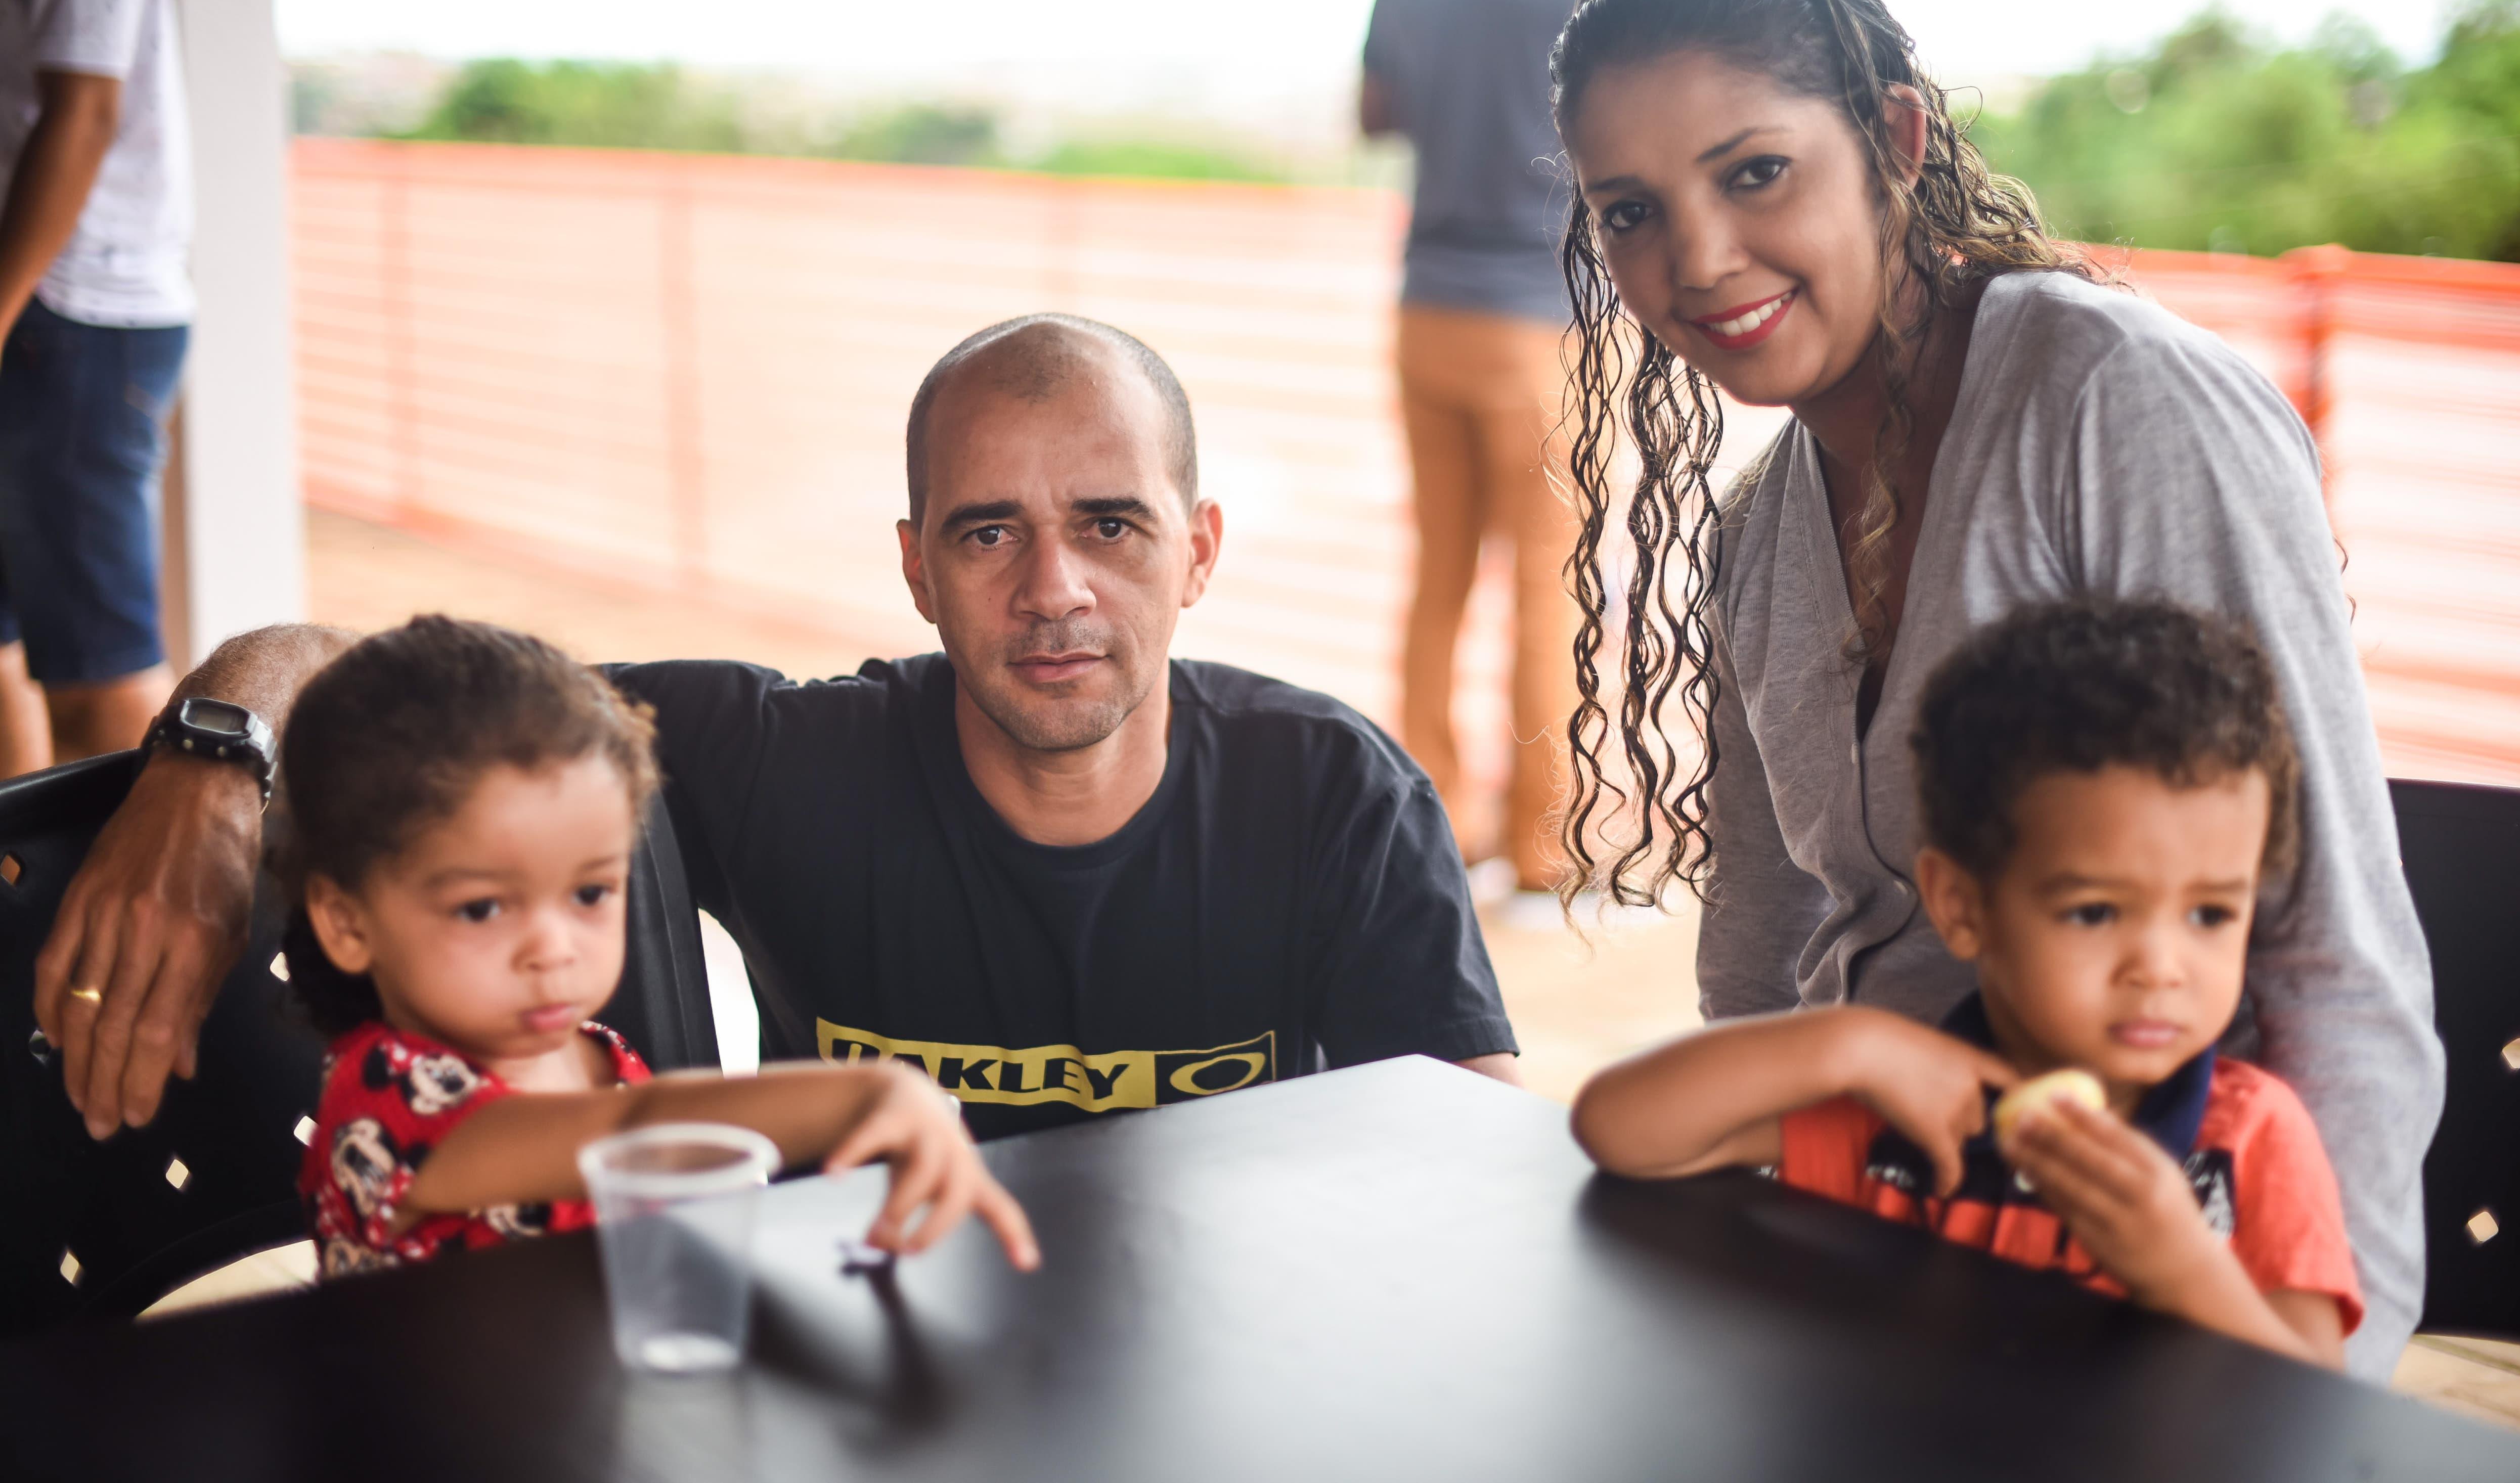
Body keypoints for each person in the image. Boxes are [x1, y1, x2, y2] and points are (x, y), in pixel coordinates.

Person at [1544, 0, 2436, 1377]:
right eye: (1630, 210)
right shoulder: (1755, 528)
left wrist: (2329, 1409)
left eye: (1754, 172)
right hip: (1880, 1256)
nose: (1696, 260)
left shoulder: (2116, 404)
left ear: (1895, 138)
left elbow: (2331, 945)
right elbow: (1762, 970)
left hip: (2159, 1293)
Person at [35, 312, 1520, 1149]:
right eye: (988, 531)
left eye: (1111, 525)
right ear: (916, 567)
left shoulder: (1331, 792)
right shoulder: (780, 753)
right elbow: (369, 672)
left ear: (1197, 552)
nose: (1054, 589)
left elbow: (1479, 1176)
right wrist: (214, 761)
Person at [1573, 599, 2361, 1367]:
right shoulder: (1911, 1106)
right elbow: (1617, 1126)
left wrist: (2184, 1269)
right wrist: (1852, 1041)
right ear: (1962, 905)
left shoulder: (2252, 1139)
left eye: (2212, 914)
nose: (2160, 966)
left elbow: (2322, 1408)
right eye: (2093, 912)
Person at [280, 615, 1036, 1280]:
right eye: (482, 906)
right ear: (347, 923)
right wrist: (871, 1091)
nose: (553, 948)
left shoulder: (599, 1053)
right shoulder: (384, 1102)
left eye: (590, 893)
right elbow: (631, 1131)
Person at [1359, 0, 1629, 914]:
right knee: (1553, 584)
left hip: (1427, 307)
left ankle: (1428, 826)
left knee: (1439, 574)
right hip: (1544, 318)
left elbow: (1376, 115)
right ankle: (1544, 845)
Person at [0, 0, 194, 775]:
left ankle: (149, 933)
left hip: (75, 311)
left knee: (100, 680)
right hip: (25, 307)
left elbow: (84, 109)